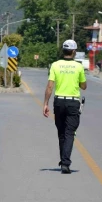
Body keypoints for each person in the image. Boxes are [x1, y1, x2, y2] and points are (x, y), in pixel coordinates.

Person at [43, 39, 87, 174]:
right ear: (74, 52)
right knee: (69, 133)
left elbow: (50, 86)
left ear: (63, 50)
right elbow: (84, 86)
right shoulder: (78, 67)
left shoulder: (55, 65)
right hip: (73, 103)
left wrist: (45, 103)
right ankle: (66, 163)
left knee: (61, 133)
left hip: (59, 103)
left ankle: (63, 160)